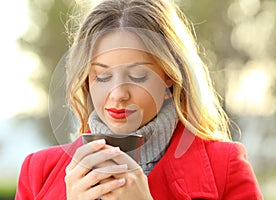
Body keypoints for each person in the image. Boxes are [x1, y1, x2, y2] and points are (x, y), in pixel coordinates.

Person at [15, 0, 263, 199]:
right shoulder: (38, 171)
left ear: (169, 76)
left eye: (138, 75)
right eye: (102, 76)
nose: (118, 93)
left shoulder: (225, 166)